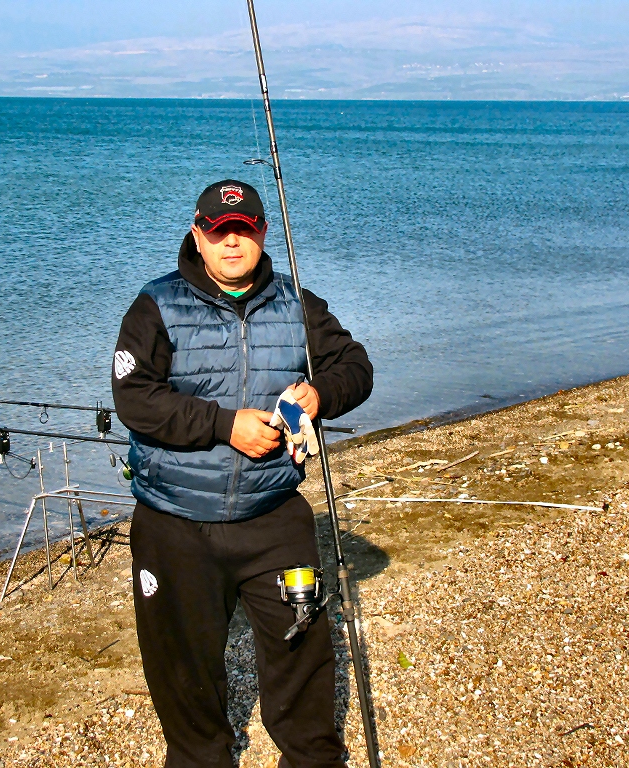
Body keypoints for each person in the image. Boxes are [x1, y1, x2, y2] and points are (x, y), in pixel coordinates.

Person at [112, 179, 372, 768]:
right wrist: (224, 426)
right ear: (198, 235)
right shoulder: (155, 305)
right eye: (219, 231)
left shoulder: (297, 304)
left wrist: (320, 394)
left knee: (303, 657)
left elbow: (357, 367)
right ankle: (202, 758)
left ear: (261, 233)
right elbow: (135, 399)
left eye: (244, 230)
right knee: (184, 671)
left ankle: (311, 758)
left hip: (273, 519)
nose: (232, 243)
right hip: (175, 525)